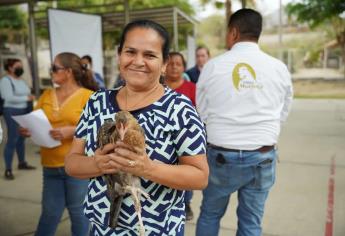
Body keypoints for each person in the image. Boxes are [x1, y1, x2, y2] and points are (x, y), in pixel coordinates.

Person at [65, 19, 209, 235]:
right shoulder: (97, 102)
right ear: (119, 55)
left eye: (149, 55)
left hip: (156, 229)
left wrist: (146, 168)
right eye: (130, 52)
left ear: (163, 64)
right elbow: (72, 163)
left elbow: (200, 176)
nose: (138, 61)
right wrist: (98, 163)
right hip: (102, 227)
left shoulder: (179, 109)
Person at [196, 9, 293, 236]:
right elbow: (284, 108)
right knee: (251, 222)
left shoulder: (213, 66)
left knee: (210, 214)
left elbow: (201, 111)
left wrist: (219, 130)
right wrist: (263, 131)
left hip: (221, 155)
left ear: (234, 32)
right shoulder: (279, 68)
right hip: (262, 155)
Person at [20, 52, 98, 236]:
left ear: (68, 72)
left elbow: (99, 129)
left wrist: (72, 131)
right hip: (50, 166)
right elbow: (35, 119)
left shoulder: (88, 97)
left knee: (79, 214)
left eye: (54, 68)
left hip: (77, 166)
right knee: (49, 214)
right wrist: (27, 129)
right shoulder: (47, 94)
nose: (51, 72)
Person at [165, 51, 196, 220]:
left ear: (184, 67)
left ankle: (186, 203)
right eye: (170, 63)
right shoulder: (156, 88)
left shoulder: (192, 89)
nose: (174, 67)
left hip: (186, 142)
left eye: (178, 63)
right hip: (163, 142)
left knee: (186, 173)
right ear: (164, 66)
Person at [0, 58, 36, 180]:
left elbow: (27, 93)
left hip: (24, 110)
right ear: (10, 68)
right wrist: (27, 98)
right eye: (18, 66)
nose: (20, 68)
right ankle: (8, 169)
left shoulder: (21, 80)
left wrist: (29, 98)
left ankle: (22, 163)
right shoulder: (5, 80)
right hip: (11, 111)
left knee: (21, 138)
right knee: (12, 139)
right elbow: (8, 97)